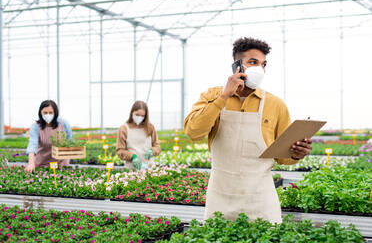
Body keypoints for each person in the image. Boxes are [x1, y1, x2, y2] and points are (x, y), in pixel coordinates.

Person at [184, 37, 313, 223]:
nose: (259, 69)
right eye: (253, 62)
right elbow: (193, 132)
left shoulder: (275, 105)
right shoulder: (212, 96)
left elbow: (283, 158)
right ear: (237, 65)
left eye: (263, 64)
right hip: (221, 197)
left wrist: (297, 153)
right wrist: (224, 96)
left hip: (260, 198)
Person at [25, 100, 73, 173]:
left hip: (61, 164)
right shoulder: (36, 126)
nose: (48, 115)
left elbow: (70, 142)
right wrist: (31, 164)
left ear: (55, 113)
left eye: (50, 113)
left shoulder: (64, 124)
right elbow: (32, 145)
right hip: (42, 163)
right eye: (45, 113)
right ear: (40, 113)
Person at [116, 101, 161, 170]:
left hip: (149, 167)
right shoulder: (124, 129)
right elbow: (120, 150)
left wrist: (152, 150)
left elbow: (157, 146)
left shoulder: (150, 127)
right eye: (137, 115)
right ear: (132, 112)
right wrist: (132, 156)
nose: (139, 117)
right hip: (131, 168)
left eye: (142, 116)